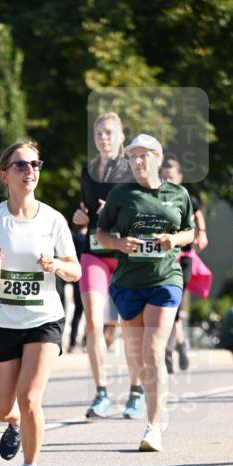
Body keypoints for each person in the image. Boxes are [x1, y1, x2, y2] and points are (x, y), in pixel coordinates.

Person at [0, 140, 80, 466]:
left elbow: (75, 269)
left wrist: (56, 265)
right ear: (5, 175)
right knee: (2, 407)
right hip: (3, 323)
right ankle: (13, 423)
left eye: (36, 164)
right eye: (21, 165)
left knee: (30, 397)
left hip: (44, 320)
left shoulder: (53, 220)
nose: (30, 171)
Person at [96, 134, 195, 452]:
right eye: (132, 157)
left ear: (157, 158)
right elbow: (101, 233)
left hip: (165, 279)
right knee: (136, 359)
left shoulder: (178, 194)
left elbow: (190, 231)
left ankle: (153, 427)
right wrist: (119, 243)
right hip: (127, 283)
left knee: (153, 352)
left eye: (143, 156)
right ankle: (156, 400)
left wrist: (174, 240)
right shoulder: (120, 195)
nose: (137, 162)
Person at [72, 111, 144, 420]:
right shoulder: (88, 171)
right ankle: (101, 393)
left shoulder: (132, 170)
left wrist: (113, 214)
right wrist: (82, 219)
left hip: (125, 255)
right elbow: (84, 210)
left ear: (121, 137)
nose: (103, 138)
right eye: (99, 133)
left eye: (109, 133)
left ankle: (136, 393)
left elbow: (143, 212)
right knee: (92, 322)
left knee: (130, 326)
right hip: (95, 252)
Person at [160, 158, 209, 373]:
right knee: (172, 307)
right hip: (164, 257)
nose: (168, 180)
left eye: (172, 177)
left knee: (175, 301)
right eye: (165, 177)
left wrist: (202, 234)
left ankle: (169, 351)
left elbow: (198, 216)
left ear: (179, 178)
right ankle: (180, 345)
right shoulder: (157, 198)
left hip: (185, 256)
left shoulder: (187, 197)